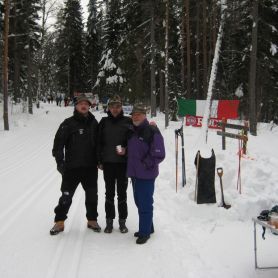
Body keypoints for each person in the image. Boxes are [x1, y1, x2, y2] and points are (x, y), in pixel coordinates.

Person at [50, 95, 101, 235]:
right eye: (80, 104)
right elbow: (57, 146)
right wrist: (61, 164)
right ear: (76, 106)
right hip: (71, 168)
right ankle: (59, 222)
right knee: (66, 196)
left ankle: (92, 220)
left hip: (90, 168)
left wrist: (99, 160)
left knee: (92, 196)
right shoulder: (67, 123)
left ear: (89, 106)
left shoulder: (94, 123)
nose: (83, 106)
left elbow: (99, 144)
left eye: (86, 104)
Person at [127, 104, 165, 244]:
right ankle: (149, 227)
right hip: (135, 174)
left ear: (145, 116)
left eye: (138, 114)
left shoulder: (151, 130)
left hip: (146, 174)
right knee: (139, 202)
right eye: (133, 115)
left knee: (144, 203)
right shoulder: (132, 130)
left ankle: (144, 232)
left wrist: (145, 164)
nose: (135, 116)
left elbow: (159, 153)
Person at [97, 95, 132, 233]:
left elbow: (134, 141)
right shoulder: (104, 122)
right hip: (108, 164)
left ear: (121, 107)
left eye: (118, 106)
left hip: (123, 164)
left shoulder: (128, 121)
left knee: (122, 194)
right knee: (109, 193)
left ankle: (122, 222)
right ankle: (109, 221)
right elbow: (98, 142)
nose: (115, 109)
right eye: (112, 107)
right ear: (108, 108)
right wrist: (99, 160)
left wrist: (127, 150)